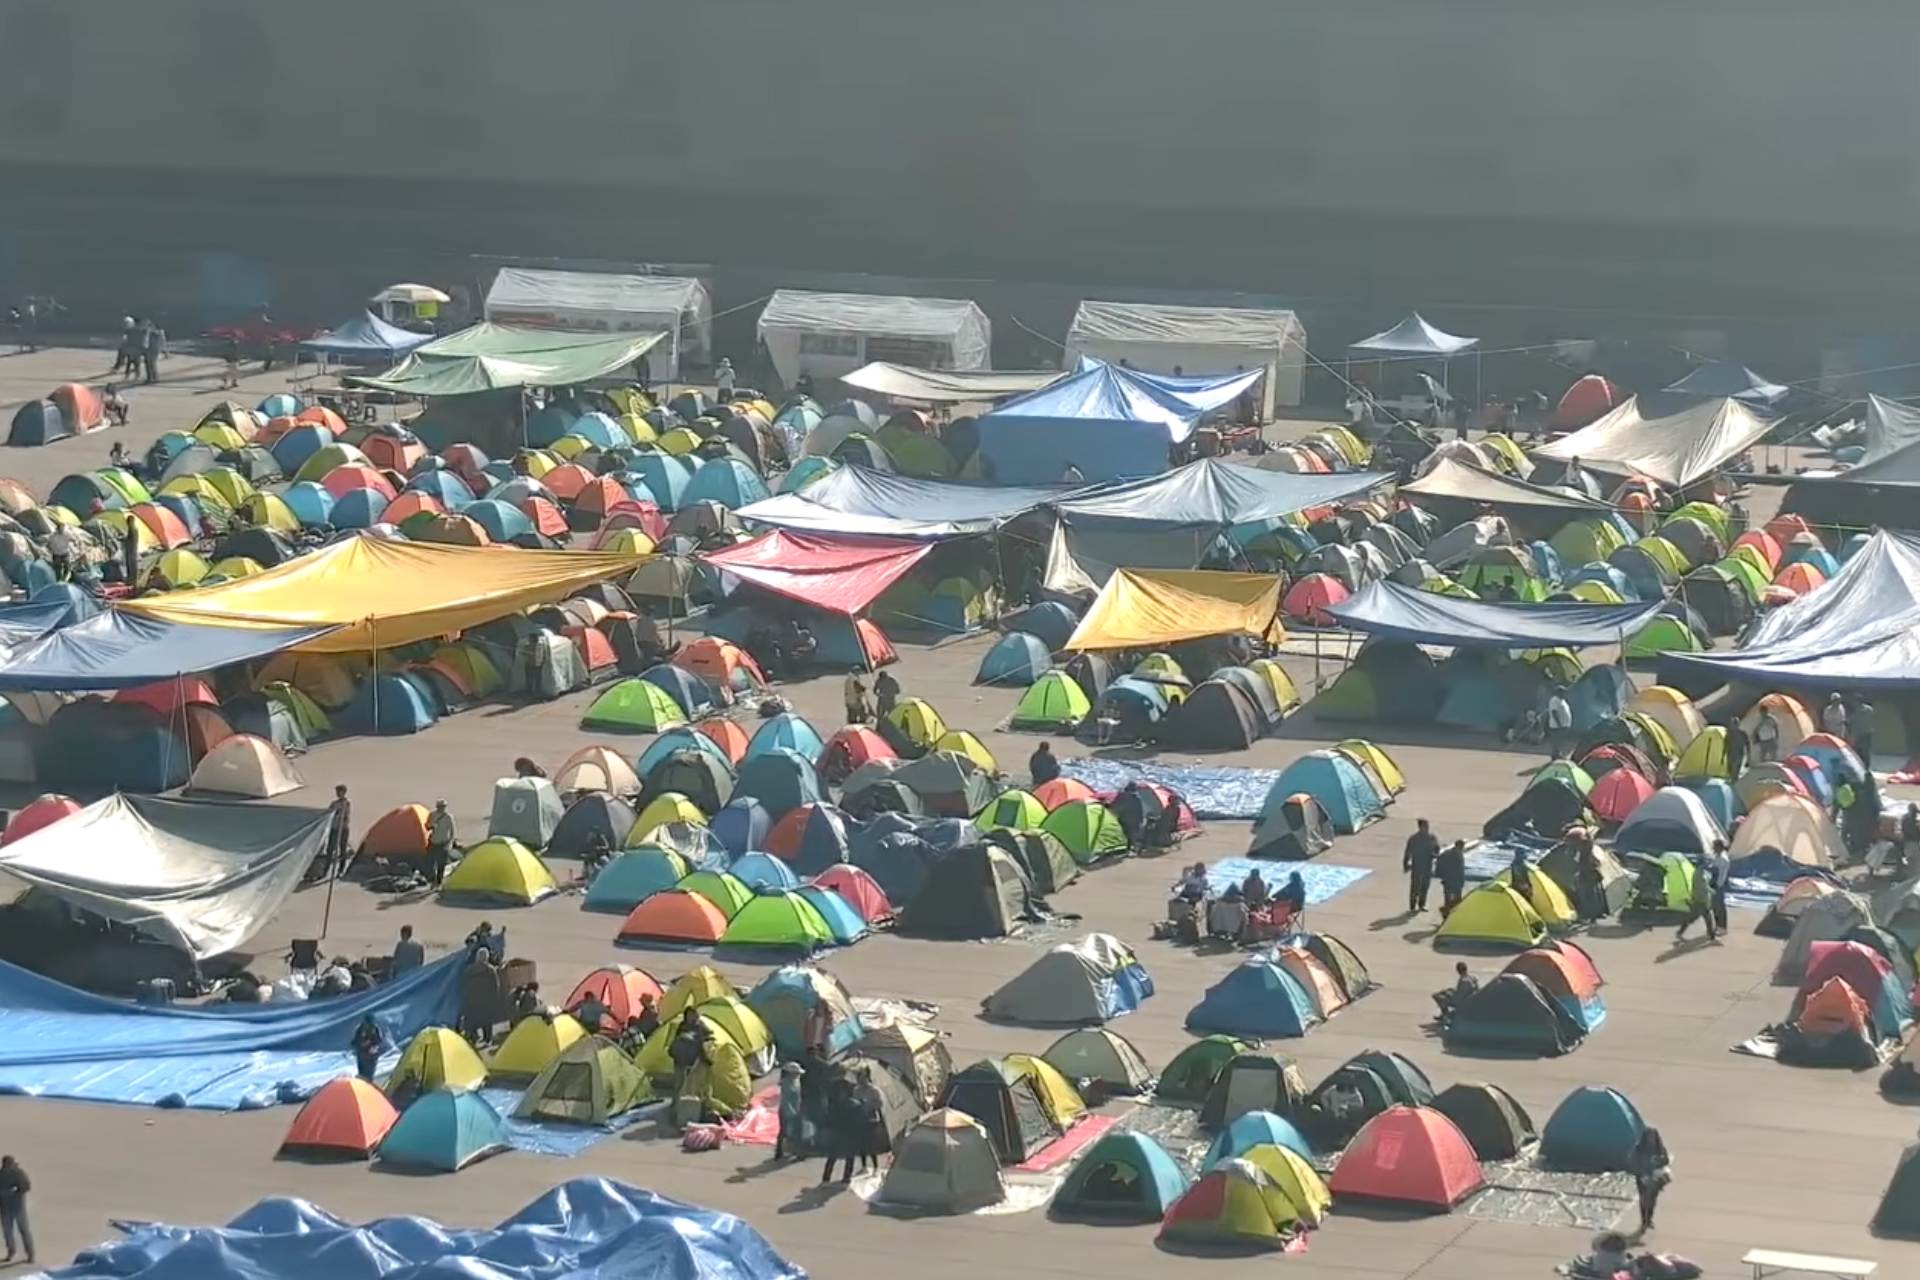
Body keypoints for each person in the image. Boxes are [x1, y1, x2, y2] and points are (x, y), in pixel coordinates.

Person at [1628, 1127, 1671, 1234]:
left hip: (1655, 1177)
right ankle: (1644, 1221)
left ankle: (1649, 1219)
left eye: (1652, 1136)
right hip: (1642, 1177)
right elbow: (1633, 1162)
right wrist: (1642, 1173)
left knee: (1652, 1199)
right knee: (1644, 1199)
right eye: (1649, 1136)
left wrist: (1660, 1163)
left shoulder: (1660, 1149)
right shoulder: (1639, 1149)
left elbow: (1666, 1160)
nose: (1651, 1139)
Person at [852, 1066, 889, 1174]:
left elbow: (879, 1104)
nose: (861, 1080)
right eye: (859, 1078)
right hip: (860, 1118)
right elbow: (854, 1102)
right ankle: (864, 1166)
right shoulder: (856, 1090)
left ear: (867, 1078)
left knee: (871, 1144)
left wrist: (869, 1103)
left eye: (863, 1077)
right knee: (862, 1143)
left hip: (871, 1118)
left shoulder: (874, 1090)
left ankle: (875, 1166)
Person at [1674, 855, 1717, 943]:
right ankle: (1712, 937)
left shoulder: (1700, 872)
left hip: (1700, 899)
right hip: (1700, 899)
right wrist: (1708, 893)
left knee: (1692, 918)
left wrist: (1710, 891)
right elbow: (1701, 887)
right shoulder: (1698, 873)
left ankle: (1680, 933)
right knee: (1707, 918)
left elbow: (1704, 885)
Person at [0, 1155, 32, 1266]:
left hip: (18, 1208)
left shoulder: (18, 1173)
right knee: (8, 1233)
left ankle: (30, 1254)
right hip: (5, 1209)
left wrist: (13, 1191)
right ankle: (11, 1251)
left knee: (24, 1231)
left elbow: (27, 1186)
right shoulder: (1, 1175)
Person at [1403, 817, 1439, 912]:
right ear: (1420, 827)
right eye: (1425, 826)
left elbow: (1437, 849)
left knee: (1425, 886)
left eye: (1427, 826)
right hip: (1417, 865)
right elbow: (1408, 852)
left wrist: (1435, 854)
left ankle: (1422, 904)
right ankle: (1412, 905)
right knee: (1415, 887)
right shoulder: (1414, 839)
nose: (1427, 828)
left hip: (1428, 865)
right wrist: (1406, 864)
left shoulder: (1432, 838)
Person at [775, 1061, 806, 1161]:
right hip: (788, 1111)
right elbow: (787, 1101)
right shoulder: (787, 1084)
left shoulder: (794, 1081)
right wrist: (793, 1113)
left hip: (791, 1109)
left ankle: (780, 1151)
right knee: (794, 1132)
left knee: (785, 1131)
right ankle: (797, 1152)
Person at [427, 800, 456, 887]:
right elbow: (427, 826)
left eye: (443, 806)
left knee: (441, 864)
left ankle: (439, 882)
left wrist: (450, 843)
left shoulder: (448, 817)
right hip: (433, 842)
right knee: (431, 863)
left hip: (443, 843)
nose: (441, 808)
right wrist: (431, 826)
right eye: (440, 806)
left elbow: (452, 831)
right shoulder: (432, 815)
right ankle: (433, 880)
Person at [326, 785, 352, 876]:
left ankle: (341, 870)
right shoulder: (334, 803)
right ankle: (325, 869)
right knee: (330, 849)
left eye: (339, 792)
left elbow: (345, 814)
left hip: (343, 829)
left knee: (342, 849)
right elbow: (328, 813)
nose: (337, 794)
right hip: (334, 828)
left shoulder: (346, 803)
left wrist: (338, 813)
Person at [1436, 839, 1467, 915]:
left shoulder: (1446, 853)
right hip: (1455, 880)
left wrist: (1441, 875)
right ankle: (1447, 910)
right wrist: (1462, 881)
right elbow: (1460, 870)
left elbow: (1439, 862)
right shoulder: (1459, 855)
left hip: (1447, 879)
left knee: (1447, 898)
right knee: (1457, 900)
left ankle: (1446, 911)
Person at [1707, 839, 1731, 936]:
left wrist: (1718, 885)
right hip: (1714, 883)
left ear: (1719, 847)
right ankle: (1717, 926)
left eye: (1714, 846)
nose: (1713, 848)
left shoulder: (1723, 859)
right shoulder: (1717, 857)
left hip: (1718, 885)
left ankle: (1722, 927)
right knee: (1714, 907)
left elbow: (1722, 875)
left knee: (1719, 907)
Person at [351, 1016, 383, 1083]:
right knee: (362, 1074)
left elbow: (379, 1040)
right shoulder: (359, 1029)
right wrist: (362, 1044)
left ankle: (368, 1088)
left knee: (369, 1075)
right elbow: (354, 1042)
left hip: (371, 1056)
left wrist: (371, 1043)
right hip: (362, 1056)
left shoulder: (375, 1028)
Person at [1544, 689, 1573, 758]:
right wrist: (1559, 724)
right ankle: (1555, 756)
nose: (1564, 693)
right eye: (1563, 692)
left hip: (1564, 725)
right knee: (1556, 742)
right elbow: (1554, 712)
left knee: (1561, 742)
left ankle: (1559, 754)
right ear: (1558, 692)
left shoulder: (1562, 700)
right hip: (1557, 727)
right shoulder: (1554, 700)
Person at [1852, 697, 1876, 764]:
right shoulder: (1856, 711)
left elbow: (1872, 718)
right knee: (1858, 751)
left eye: (1855, 702)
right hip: (1859, 734)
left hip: (1866, 733)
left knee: (1866, 752)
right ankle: (1861, 765)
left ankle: (1867, 767)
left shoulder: (1868, 709)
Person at [142, 318, 165, 385]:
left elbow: (162, 341)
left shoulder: (159, 332)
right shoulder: (148, 331)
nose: (148, 326)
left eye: (150, 325)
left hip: (154, 349)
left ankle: (154, 378)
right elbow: (145, 340)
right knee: (148, 363)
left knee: (152, 363)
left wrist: (162, 349)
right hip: (148, 349)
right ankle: (150, 378)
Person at [1902, 804, 1920, 875]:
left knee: (1912, 860)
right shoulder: (1910, 819)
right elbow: (1913, 833)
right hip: (1912, 842)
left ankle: (1912, 875)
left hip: (1909, 842)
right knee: (1914, 860)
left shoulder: (1906, 818)